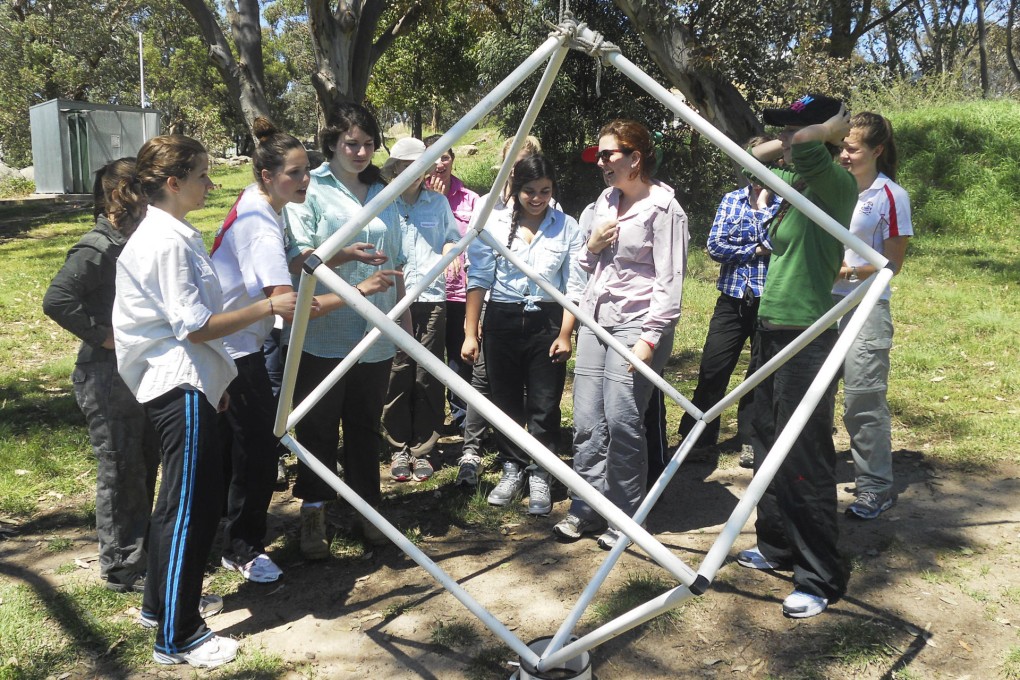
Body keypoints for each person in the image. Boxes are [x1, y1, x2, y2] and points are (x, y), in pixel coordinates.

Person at [112, 134, 299, 668]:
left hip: (190, 383)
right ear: (172, 183)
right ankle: (180, 635)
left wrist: (214, 384)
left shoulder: (172, 233)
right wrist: (268, 309)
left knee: (175, 503)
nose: (210, 184)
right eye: (201, 175)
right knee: (191, 509)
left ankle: (160, 607)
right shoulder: (165, 241)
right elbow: (194, 326)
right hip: (179, 383)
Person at [734, 94, 856, 619]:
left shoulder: (835, 184)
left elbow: (805, 144)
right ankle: (779, 544)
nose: (788, 139)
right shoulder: (801, 186)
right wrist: (788, 137)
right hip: (772, 327)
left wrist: (827, 129)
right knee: (764, 435)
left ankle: (819, 575)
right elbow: (749, 157)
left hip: (808, 333)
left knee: (804, 452)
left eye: (796, 131)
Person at [554, 120, 689, 549]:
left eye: (609, 154)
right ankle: (586, 507)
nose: (601, 162)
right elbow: (583, 264)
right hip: (597, 320)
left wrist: (649, 339)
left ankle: (626, 517)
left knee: (624, 421)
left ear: (636, 158)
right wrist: (591, 246)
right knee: (587, 421)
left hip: (638, 325)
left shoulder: (666, 209)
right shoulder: (603, 202)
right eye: (599, 155)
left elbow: (671, 282)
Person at [285, 103, 407, 558]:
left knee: (363, 427)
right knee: (317, 426)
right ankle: (314, 513)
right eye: (351, 143)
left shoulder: (384, 190)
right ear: (332, 143)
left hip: (373, 334)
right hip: (322, 331)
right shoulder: (310, 189)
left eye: (368, 143)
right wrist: (344, 256)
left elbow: (398, 264)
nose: (360, 151)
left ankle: (367, 509)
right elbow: (301, 260)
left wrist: (402, 324)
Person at [210, 117, 324, 583]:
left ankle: (225, 531)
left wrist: (338, 256)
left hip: (231, 344)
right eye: (293, 173)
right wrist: (360, 297)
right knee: (257, 448)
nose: (304, 180)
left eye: (305, 171)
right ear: (266, 176)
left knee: (243, 446)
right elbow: (287, 303)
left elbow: (288, 270)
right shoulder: (260, 221)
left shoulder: (261, 205)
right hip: (234, 350)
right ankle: (242, 548)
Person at [43, 158, 161, 595]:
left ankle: (141, 549)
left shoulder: (136, 240)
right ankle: (121, 568)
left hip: (136, 372)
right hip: (106, 379)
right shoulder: (98, 246)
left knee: (144, 463)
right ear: (122, 194)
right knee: (121, 469)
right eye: (145, 188)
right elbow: (57, 299)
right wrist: (104, 338)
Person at [461, 154, 585, 515]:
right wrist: (471, 333)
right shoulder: (494, 224)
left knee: (545, 404)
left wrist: (565, 333)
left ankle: (541, 473)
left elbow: (573, 286)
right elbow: (478, 278)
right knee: (506, 400)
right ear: (515, 189)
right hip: (502, 319)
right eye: (529, 191)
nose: (537, 198)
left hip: (547, 321)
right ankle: (512, 466)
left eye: (545, 191)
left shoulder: (567, 226)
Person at [677, 138, 782, 469]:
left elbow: (780, 243)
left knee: (760, 373)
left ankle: (752, 439)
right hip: (733, 298)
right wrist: (755, 249)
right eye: (752, 169)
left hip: (770, 298)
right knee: (713, 367)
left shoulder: (784, 203)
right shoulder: (731, 200)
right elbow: (714, 246)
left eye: (765, 169)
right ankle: (698, 438)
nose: (758, 175)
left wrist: (756, 232)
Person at [454, 135, 547, 487]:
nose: (516, 169)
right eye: (511, 162)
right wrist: (471, 325)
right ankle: (472, 452)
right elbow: (476, 268)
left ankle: (525, 455)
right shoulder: (488, 205)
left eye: (524, 161)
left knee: (523, 385)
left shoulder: (544, 204)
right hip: (490, 308)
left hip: (528, 311)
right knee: (482, 379)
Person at [834, 112, 912, 519]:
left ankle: (875, 486)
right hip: (820, 306)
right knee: (811, 396)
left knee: (862, 400)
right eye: (842, 146)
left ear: (876, 150)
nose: (843, 155)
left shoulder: (891, 196)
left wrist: (846, 271)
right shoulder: (834, 188)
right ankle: (809, 478)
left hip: (866, 307)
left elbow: (892, 263)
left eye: (851, 148)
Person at [380, 137, 459, 482]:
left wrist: (449, 250)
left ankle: (424, 448)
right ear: (394, 168)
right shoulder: (381, 205)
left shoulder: (438, 203)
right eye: (403, 166)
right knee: (397, 370)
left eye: (416, 166)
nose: (410, 173)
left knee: (428, 372)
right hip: (392, 300)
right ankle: (397, 445)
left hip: (432, 298)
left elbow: (452, 237)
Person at [422, 134, 479, 433]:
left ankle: (460, 420)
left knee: (459, 357)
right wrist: (435, 200)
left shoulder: (470, 199)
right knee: (427, 360)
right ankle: (428, 423)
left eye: (445, 156)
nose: (440, 163)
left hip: (460, 291)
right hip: (426, 292)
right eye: (433, 157)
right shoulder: (414, 196)